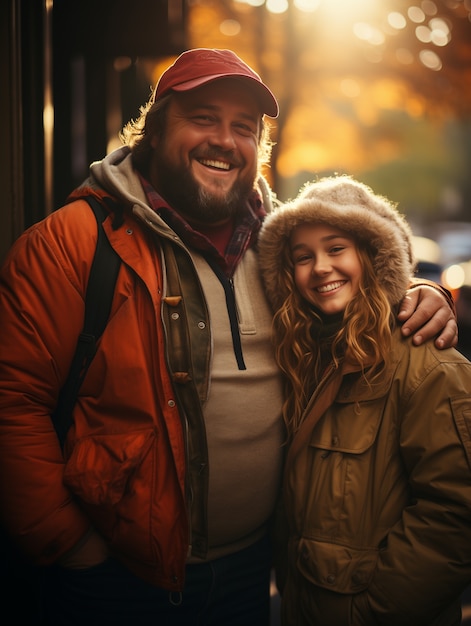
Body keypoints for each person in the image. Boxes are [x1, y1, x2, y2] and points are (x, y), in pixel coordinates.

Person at [0, 49, 457, 626]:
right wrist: (69, 546)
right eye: (203, 118)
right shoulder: (72, 241)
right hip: (115, 581)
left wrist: (422, 293)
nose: (224, 139)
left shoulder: (279, 244)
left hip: (252, 574)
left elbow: (354, 292)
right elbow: (12, 399)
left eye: (244, 128)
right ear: (157, 128)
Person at [257, 175, 471, 626]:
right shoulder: (303, 359)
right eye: (303, 257)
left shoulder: (429, 363)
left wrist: (368, 613)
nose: (319, 267)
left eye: (336, 249)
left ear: (372, 256)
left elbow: (453, 517)